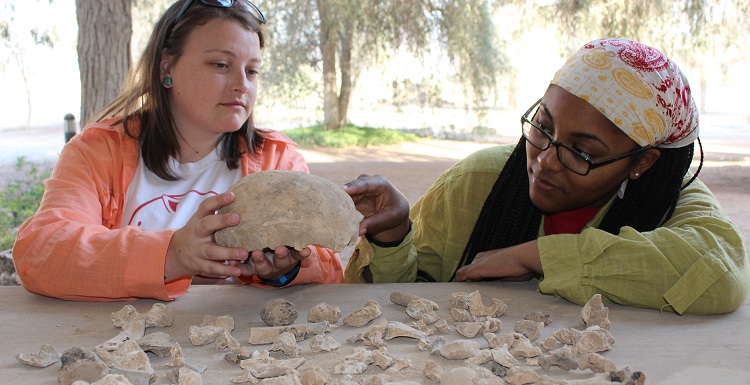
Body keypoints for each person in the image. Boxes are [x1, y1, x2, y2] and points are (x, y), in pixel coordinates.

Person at [343, 37, 749, 315]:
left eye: (582, 152)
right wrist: (392, 235)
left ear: (642, 163)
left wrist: (535, 257)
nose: (545, 161)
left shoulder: (675, 201)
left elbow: (720, 274)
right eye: (543, 127)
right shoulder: (476, 182)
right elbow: (387, 306)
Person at [13, 0, 344, 302]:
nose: (242, 84)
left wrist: (282, 272)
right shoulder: (98, 151)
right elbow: (41, 251)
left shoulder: (277, 159)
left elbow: (328, 267)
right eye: (220, 64)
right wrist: (172, 255)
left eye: (252, 70)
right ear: (166, 68)